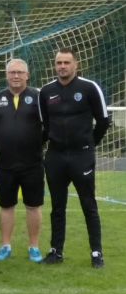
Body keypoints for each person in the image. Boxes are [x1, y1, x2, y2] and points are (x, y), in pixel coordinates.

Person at [39, 48, 110, 268]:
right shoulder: (46, 91)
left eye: (66, 62)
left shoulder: (89, 88)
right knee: (57, 206)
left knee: (88, 204)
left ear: (76, 64)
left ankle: (96, 253)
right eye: (59, 62)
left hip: (81, 156)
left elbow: (104, 120)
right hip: (55, 156)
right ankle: (56, 251)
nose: (62, 66)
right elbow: (45, 125)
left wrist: (89, 144)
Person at [0, 59, 45, 263]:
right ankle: (5, 245)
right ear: (7, 75)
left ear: (27, 75)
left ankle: (34, 247)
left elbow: (46, 126)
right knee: (6, 206)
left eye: (20, 72)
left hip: (33, 164)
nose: (16, 76)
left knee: (33, 206)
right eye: (12, 72)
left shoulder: (38, 97)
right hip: (6, 164)